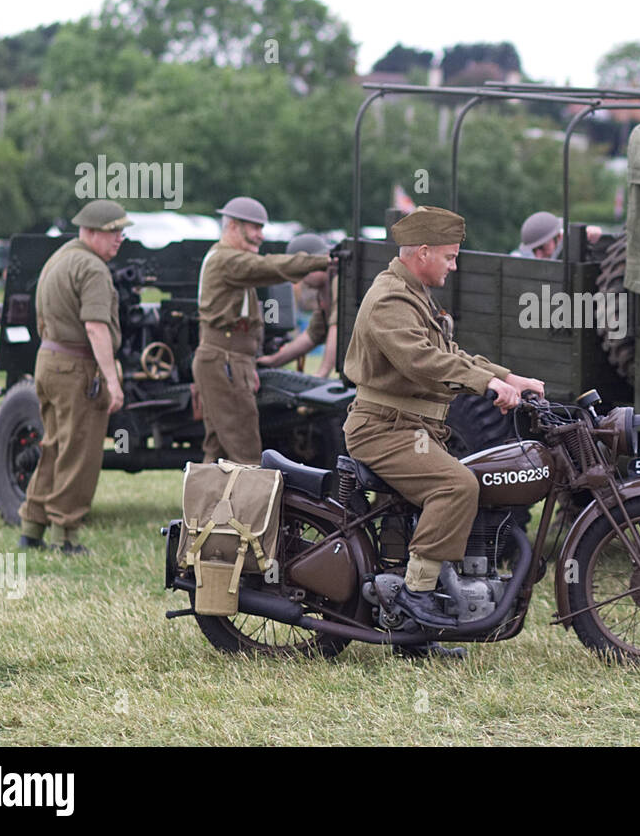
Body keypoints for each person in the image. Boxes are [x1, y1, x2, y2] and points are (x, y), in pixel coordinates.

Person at [343, 206, 544, 629]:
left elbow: (452, 354)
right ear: (423, 253)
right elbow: (422, 360)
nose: (454, 266)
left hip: (413, 428)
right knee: (456, 486)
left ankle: (414, 624)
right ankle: (417, 595)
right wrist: (485, 386)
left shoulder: (414, 295)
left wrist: (509, 377)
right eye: (450, 257)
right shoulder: (390, 299)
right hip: (385, 429)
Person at [17, 199, 131, 554]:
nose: (120, 240)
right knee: (79, 452)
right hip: (76, 368)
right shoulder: (93, 268)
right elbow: (96, 328)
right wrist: (112, 381)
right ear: (91, 231)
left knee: (52, 446)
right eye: (113, 232)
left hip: (49, 360)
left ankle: (32, 527)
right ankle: (64, 536)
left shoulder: (60, 257)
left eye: (121, 232)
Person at [193, 197, 331, 465]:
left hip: (228, 360)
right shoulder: (227, 260)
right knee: (245, 450)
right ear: (233, 226)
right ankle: (249, 507)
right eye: (254, 228)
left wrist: (247, 364)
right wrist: (320, 261)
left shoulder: (226, 258)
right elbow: (270, 267)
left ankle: (207, 507)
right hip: (226, 361)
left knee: (218, 447)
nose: (260, 235)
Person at [257, 233, 340, 378]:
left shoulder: (339, 282)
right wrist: (273, 361)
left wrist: (323, 372)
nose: (299, 279)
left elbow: (337, 326)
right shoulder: (323, 290)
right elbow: (313, 335)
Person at [512, 210, 602, 259]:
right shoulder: (526, 256)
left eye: (541, 247)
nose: (538, 256)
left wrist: (593, 234)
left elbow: (595, 233)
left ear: (559, 237)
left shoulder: (572, 244)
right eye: (534, 250)